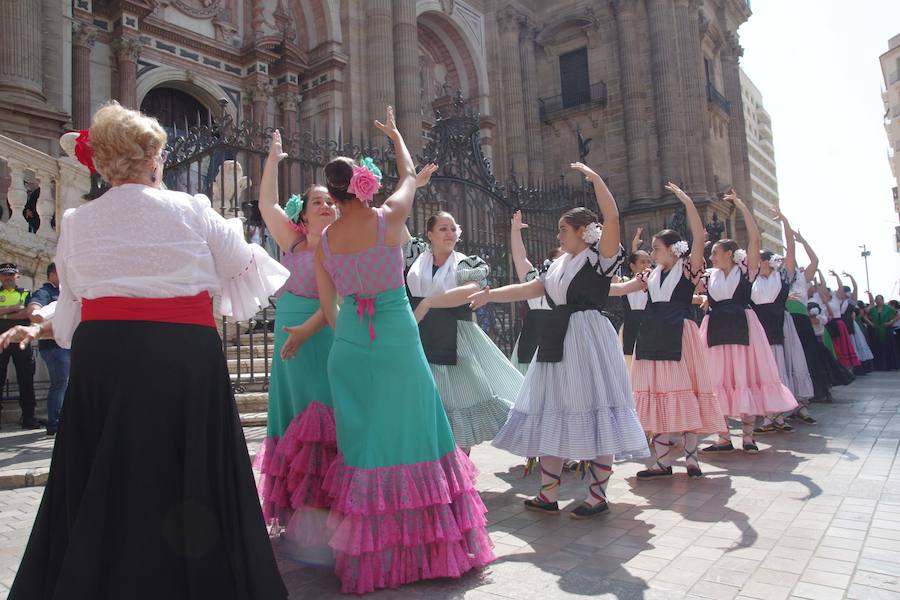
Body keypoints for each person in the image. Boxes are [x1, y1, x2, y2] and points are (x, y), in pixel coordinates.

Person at [7, 101, 288, 600]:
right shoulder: (192, 208)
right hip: (182, 355)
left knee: (105, 468)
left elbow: (74, 306)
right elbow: (246, 267)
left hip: (105, 356)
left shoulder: (74, 220)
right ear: (153, 156)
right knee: (188, 467)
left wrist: (49, 325)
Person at [316, 107, 493, 594]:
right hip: (395, 334)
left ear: (332, 195)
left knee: (365, 442)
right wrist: (395, 135)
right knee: (417, 431)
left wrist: (351, 334)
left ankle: (374, 550)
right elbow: (411, 175)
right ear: (363, 185)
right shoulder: (389, 217)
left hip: (350, 343)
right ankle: (428, 547)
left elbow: (330, 306)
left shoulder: (326, 239)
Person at [468, 162, 649, 519]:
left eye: (564, 229)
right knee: (552, 407)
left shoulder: (600, 258)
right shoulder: (558, 264)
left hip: (589, 338)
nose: (558, 235)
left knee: (596, 408)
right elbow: (531, 287)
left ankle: (597, 495)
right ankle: (548, 493)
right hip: (557, 337)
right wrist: (490, 295)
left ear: (584, 231)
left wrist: (597, 180)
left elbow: (612, 219)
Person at [253, 129, 338, 548]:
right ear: (302, 215)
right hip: (289, 349)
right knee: (292, 417)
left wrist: (308, 331)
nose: (324, 204)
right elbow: (266, 203)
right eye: (316, 201)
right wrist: (273, 160)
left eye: (329, 201)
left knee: (326, 417)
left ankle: (326, 507)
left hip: (324, 340)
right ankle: (295, 509)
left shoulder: (344, 248)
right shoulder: (293, 242)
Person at [619, 183, 723, 479]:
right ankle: (663, 462)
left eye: (655, 248)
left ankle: (691, 459)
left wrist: (688, 202)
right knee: (658, 394)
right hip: (652, 335)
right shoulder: (649, 274)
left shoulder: (689, 269)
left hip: (680, 333)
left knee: (684, 392)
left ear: (671, 249)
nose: (651, 253)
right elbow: (622, 288)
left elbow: (700, 237)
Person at [405, 210, 521, 453]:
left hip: (456, 337)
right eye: (443, 229)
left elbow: (470, 289)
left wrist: (428, 303)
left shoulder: (467, 262)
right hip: (419, 335)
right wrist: (412, 183)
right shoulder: (414, 255)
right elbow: (396, 220)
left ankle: (461, 473)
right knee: (426, 402)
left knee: (459, 399)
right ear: (429, 234)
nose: (450, 233)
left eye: (453, 228)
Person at [699, 190, 797, 454]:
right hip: (716, 326)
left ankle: (748, 437)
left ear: (730, 253)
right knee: (716, 380)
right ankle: (722, 438)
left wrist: (741, 205)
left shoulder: (746, 270)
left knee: (745, 376)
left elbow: (755, 238)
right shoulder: (709, 276)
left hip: (743, 324)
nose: (712, 257)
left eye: (716, 252)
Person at [749, 209, 814, 434]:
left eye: (759, 259)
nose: (755, 263)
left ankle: (780, 414)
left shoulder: (782, 276)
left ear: (767, 261)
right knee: (765, 371)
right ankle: (769, 416)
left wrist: (785, 222)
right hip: (759, 329)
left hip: (779, 326)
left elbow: (791, 251)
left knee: (781, 367)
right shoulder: (752, 280)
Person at [509, 210, 561, 375]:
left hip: (557, 333)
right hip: (531, 335)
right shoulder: (534, 277)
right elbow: (520, 258)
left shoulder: (571, 280)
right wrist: (515, 231)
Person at [26, 263, 69, 436]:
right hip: (54, 347)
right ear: (52, 275)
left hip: (65, 345)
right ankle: (55, 423)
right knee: (60, 384)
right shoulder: (44, 292)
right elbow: (33, 310)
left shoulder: (64, 293)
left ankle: (61, 421)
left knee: (64, 384)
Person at [0, 263, 39, 430]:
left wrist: (4, 312)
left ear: (17, 276)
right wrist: (15, 309)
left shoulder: (26, 293)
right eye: (4, 275)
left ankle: (29, 417)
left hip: (22, 342)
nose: (8, 277)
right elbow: (21, 310)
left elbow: (29, 312)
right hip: (1, 342)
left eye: (11, 274)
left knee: (26, 380)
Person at [620, 228, 651, 365]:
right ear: (632, 266)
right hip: (631, 327)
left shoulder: (653, 282)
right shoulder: (625, 282)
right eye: (642, 262)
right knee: (630, 363)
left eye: (648, 262)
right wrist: (633, 248)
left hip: (649, 326)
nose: (646, 265)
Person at [866, 292, 899, 371]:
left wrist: (891, 322)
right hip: (877, 330)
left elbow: (898, 314)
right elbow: (864, 315)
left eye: (880, 299)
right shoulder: (873, 309)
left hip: (887, 329)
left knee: (888, 347)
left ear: (883, 300)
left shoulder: (888, 308)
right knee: (877, 347)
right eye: (877, 299)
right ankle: (878, 366)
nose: (878, 301)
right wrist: (870, 323)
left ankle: (889, 365)